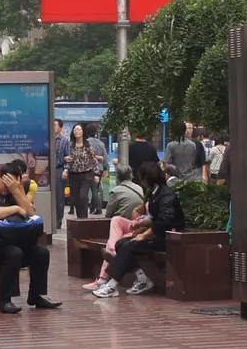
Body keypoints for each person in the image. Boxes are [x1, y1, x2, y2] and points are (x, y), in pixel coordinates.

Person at [90, 158, 185, 297]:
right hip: (159, 234)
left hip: (169, 237)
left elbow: (164, 220)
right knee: (121, 243)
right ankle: (143, 278)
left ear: (146, 178)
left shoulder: (166, 195)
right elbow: (154, 217)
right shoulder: (154, 193)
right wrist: (140, 224)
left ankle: (112, 284)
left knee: (131, 245)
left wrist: (144, 235)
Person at [0, 159, 61, 313]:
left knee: (41, 252)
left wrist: (17, 191)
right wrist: (15, 208)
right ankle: (5, 300)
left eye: (12, 186)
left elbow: (29, 212)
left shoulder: (13, 192)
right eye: (6, 185)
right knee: (14, 253)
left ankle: (37, 295)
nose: (6, 190)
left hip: (11, 239)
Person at [63, 123, 99, 218]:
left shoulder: (88, 144)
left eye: (78, 129)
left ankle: (84, 218)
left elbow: (93, 159)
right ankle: (80, 218)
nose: (76, 131)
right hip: (73, 175)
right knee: (75, 198)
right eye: (75, 130)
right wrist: (66, 168)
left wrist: (96, 174)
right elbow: (68, 159)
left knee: (83, 196)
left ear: (83, 131)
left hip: (86, 175)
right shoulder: (70, 145)